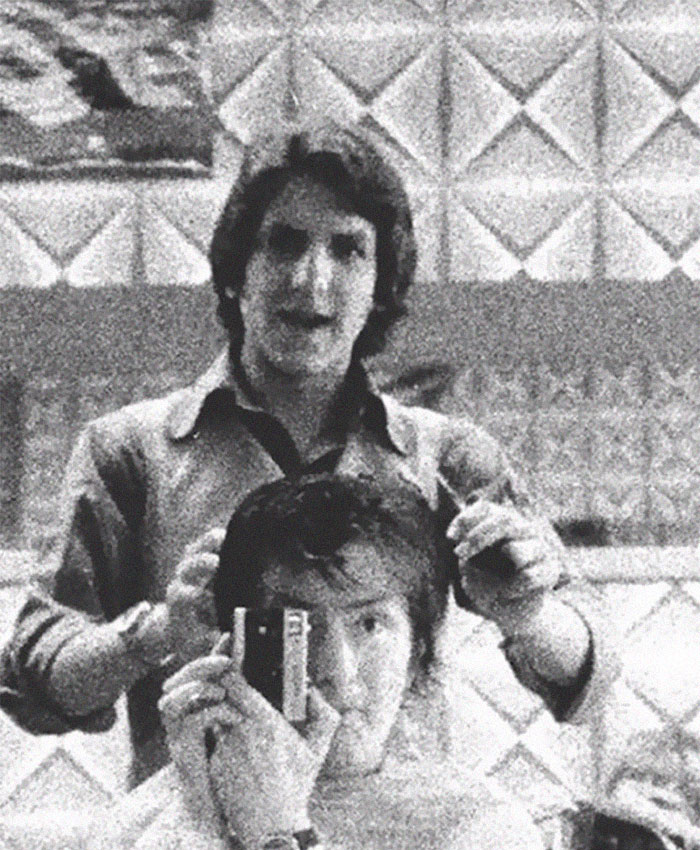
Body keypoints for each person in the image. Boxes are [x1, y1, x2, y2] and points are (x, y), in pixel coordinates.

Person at [0, 120, 593, 788]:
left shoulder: (449, 458)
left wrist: (530, 613)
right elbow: (32, 682)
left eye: (348, 249)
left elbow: (590, 679)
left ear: (380, 286)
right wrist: (162, 628)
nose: (312, 280)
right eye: (282, 243)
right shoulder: (127, 453)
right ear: (235, 272)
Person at [52, 474, 572, 850]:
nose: (337, 670)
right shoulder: (153, 818)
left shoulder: (477, 828)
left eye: (370, 625)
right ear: (240, 642)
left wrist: (283, 849)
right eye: (300, 628)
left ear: (416, 652)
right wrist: (202, 823)